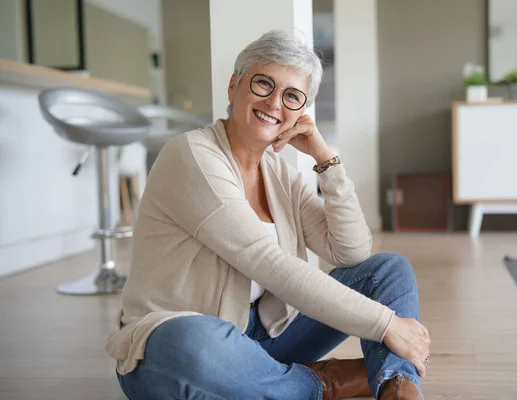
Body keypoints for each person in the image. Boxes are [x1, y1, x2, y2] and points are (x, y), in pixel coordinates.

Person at [105, 29, 431, 400]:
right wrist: (385, 323)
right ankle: (322, 383)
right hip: (181, 348)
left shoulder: (279, 173)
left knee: (387, 270)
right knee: (194, 344)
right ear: (234, 87)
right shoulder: (192, 155)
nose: (276, 102)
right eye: (264, 84)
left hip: (266, 338)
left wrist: (326, 161)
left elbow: (351, 252)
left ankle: (395, 386)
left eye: (292, 96)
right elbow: (267, 262)